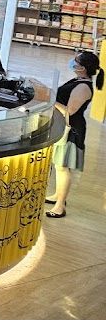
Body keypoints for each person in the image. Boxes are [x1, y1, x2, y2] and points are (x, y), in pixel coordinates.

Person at [45, 50, 101, 219]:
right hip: (64, 127)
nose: (72, 62)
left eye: (75, 60)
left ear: (82, 68)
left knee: (62, 168)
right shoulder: (79, 80)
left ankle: (60, 206)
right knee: (59, 165)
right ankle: (57, 195)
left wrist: (51, 101)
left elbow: (70, 112)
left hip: (71, 130)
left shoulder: (83, 87)